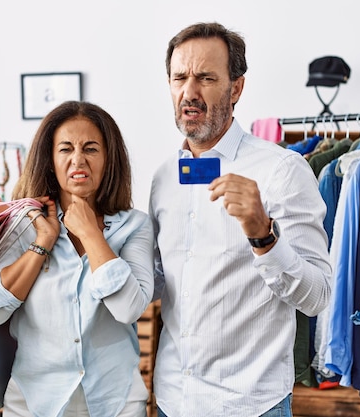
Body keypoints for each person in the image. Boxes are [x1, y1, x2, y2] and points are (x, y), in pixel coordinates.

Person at [149, 22, 332, 417]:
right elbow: (159, 281)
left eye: (206, 78)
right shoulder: (163, 177)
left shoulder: (284, 170)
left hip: (251, 406)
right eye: (179, 77)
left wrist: (263, 235)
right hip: (172, 401)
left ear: (236, 88)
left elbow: (318, 296)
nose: (189, 92)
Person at [0, 101, 154, 417]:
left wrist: (91, 234)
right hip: (33, 402)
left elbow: (128, 308)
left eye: (91, 149)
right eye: (66, 149)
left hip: (115, 403)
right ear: (50, 160)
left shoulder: (135, 226)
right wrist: (42, 242)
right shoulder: (23, 224)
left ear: (109, 158)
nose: (78, 160)